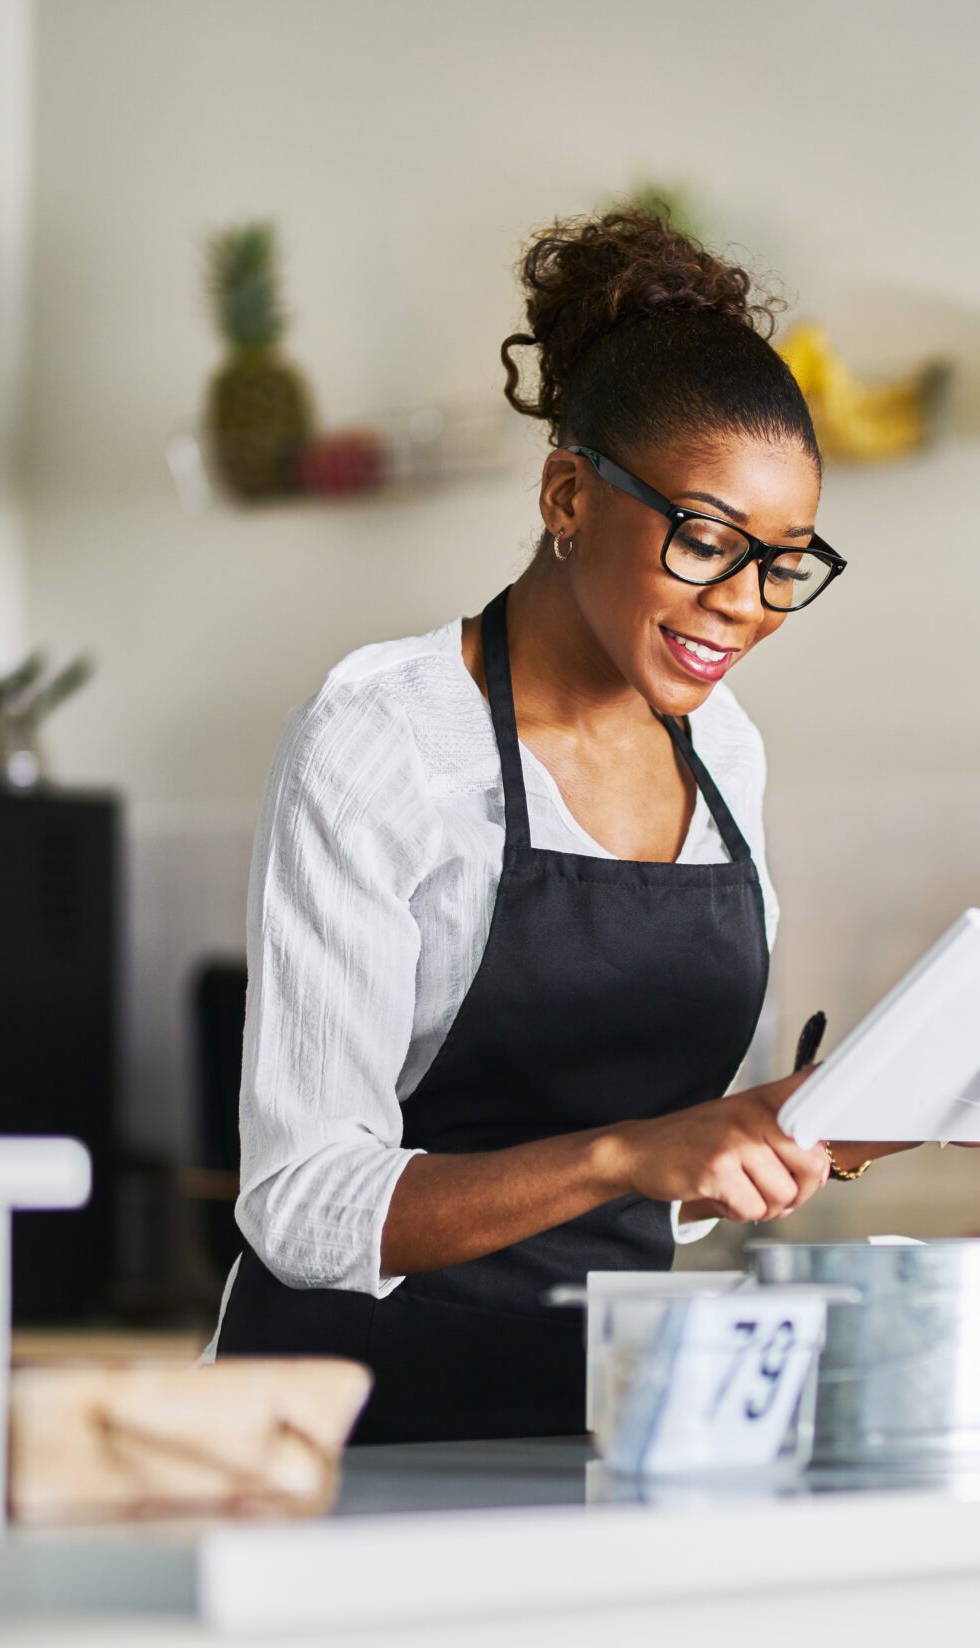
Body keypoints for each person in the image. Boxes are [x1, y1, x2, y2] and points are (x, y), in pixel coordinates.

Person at [210, 210, 899, 1442]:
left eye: (786, 562)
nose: (746, 606)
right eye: (706, 540)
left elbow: (661, 1179)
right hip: (350, 1433)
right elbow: (301, 1203)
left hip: (603, 1423)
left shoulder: (724, 750)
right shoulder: (383, 743)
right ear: (569, 492)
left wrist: (778, 1134)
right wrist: (626, 1155)